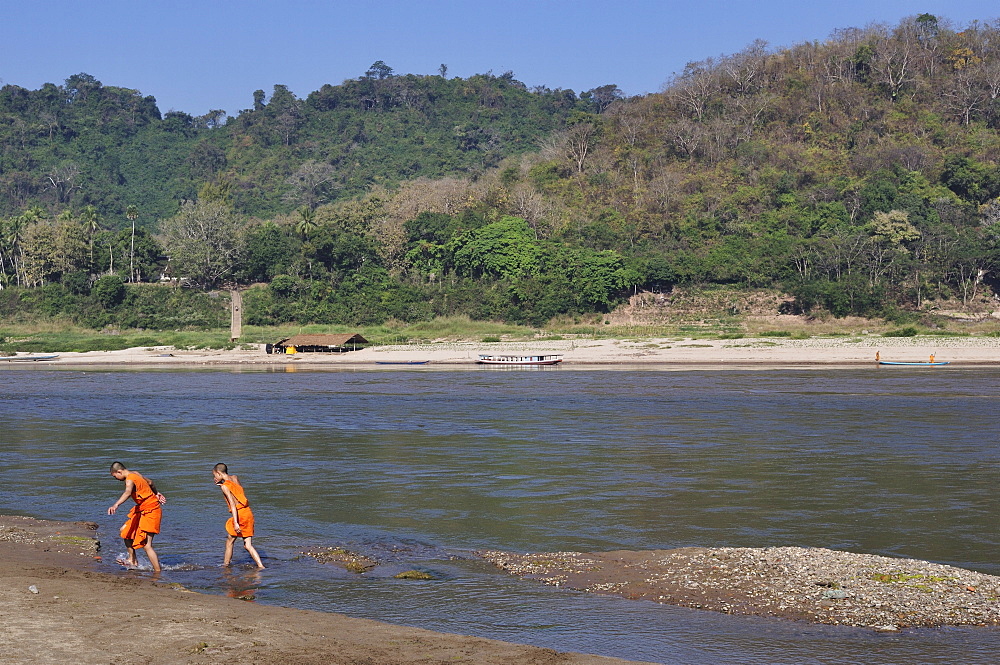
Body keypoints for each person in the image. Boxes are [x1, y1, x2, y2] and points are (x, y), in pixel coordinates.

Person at [107, 461, 165, 572]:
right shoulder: (136, 474)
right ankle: (132, 560)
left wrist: (116, 505)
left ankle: (157, 572)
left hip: (151, 510)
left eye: (115, 477)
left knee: (147, 545)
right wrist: (156, 493)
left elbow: (128, 492)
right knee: (125, 531)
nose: (117, 479)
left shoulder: (130, 479)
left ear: (119, 471)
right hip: (141, 509)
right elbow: (151, 482)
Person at [213, 463, 265, 569]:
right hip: (248, 513)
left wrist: (236, 523)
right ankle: (261, 566)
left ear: (218, 473)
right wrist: (222, 483)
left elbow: (233, 505)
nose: (214, 478)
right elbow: (238, 492)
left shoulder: (225, 487)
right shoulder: (235, 478)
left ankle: (225, 566)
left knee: (229, 541)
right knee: (247, 545)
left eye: (214, 475)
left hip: (240, 515)